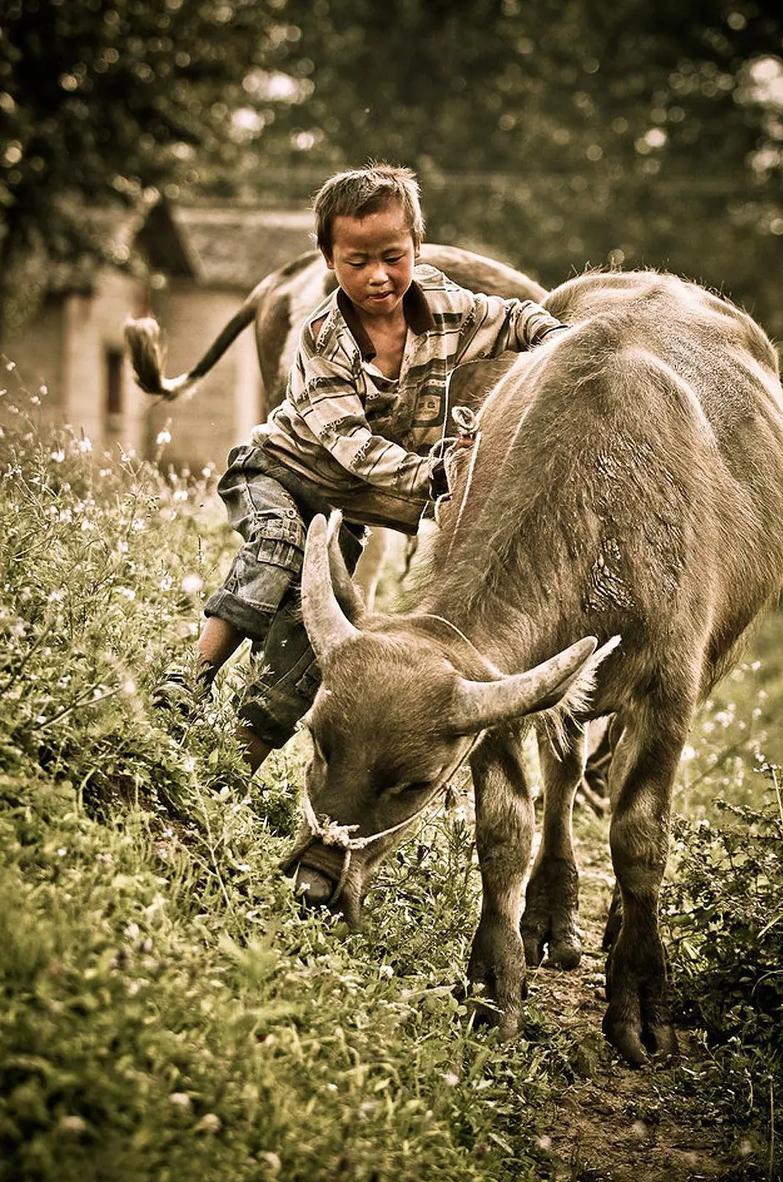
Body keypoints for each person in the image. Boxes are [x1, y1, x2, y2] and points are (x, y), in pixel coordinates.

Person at [155, 163, 568, 770]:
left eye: (393, 257)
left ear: (417, 248)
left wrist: (558, 342)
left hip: (342, 511)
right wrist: (430, 478)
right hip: (279, 473)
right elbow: (351, 443)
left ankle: (230, 769)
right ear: (328, 258)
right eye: (357, 261)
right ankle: (189, 679)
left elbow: (509, 319)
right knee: (276, 547)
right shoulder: (323, 337)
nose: (378, 276)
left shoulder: (448, 309)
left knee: (315, 636)